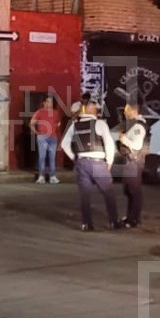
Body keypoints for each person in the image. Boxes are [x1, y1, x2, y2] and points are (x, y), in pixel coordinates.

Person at [62, 98, 120, 232]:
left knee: (85, 195)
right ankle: (113, 221)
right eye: (97, 110)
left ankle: (86, 224)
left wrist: (74, 158)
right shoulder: (100, 124)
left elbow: (64, 144)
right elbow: (110, 144)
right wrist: (110, 162)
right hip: (98, 163)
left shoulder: (74, 125)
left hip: (81, 163)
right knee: (108, 193)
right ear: (93, 111)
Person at [116, 102, 148, 228]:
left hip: (134, 162)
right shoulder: (134, 125)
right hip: (131, 161)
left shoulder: (138, 127)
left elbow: (137, 145)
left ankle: (133, 219)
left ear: (133, 111)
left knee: (134, 191)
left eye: (126, 110)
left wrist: (123, 139)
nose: (124, 113)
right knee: (130, 191)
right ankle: (131, 217)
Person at [29, 97, 61, 184]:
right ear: (44, 102)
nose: (48, 103)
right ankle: (41, 176)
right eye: (47, 101)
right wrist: (36, 132)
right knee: (42, 157)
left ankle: (52, 176)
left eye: (50, 102)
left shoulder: (56, 113)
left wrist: (54, 131)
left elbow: (58, 124)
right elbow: (31, 123)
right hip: (42, 137)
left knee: (52, 158)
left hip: (52, 137)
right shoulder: (40, 112)